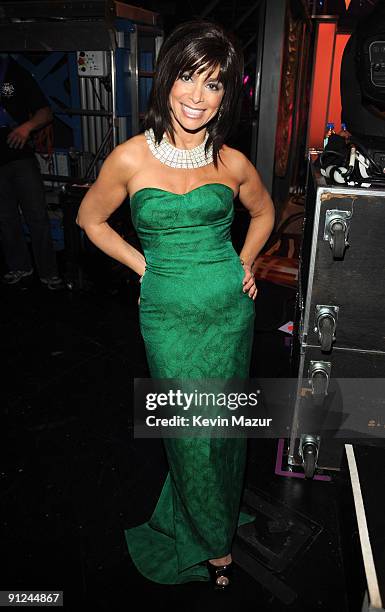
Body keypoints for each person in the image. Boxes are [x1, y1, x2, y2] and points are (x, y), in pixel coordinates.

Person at [76, 20, 275, 588]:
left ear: (226, 95)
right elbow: (89, 220)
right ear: (165, 80)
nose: (196, 95)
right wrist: (143, 266)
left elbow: (264, 213)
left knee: (223, 428)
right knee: (187, 430)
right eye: (187, 77)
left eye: (213, 85)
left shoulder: (233, 162)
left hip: (229, 314)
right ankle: (214, 542)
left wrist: (246, 262)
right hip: (167, 316)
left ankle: (207, 513)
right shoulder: (129, 158)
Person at [0, 53, 63, 289]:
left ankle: (49, 272)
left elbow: (45, 112)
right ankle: (19, 267)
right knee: (5, 220)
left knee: (36, 216)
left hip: (19, 158)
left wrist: (26, 127)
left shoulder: (13, 72)